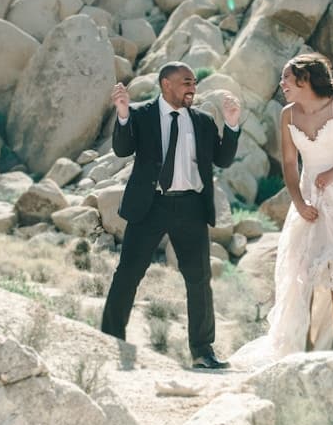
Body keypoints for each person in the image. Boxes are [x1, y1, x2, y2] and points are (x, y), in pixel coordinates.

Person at [231, 53, 333, 366]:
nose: (282, 84)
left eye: (287, 78)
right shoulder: (287, 115)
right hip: (308, 195)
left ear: (305, 79)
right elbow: (290, 163)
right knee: (301, 265)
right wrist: (298, 202)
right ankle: (302, 338)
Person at [101, 61, 241, 369]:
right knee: (128, 273)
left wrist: (231, 126)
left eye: (194, 83)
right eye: (186, 82)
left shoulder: (203, 120)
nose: (193, 87)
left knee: (199, 279)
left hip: (191, 207)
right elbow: (123, 150)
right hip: (149, 205)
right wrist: (122, 114)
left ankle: (202, 352)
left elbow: (222, 159)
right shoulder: (141, 114)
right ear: (167, 84)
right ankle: (110, 340)